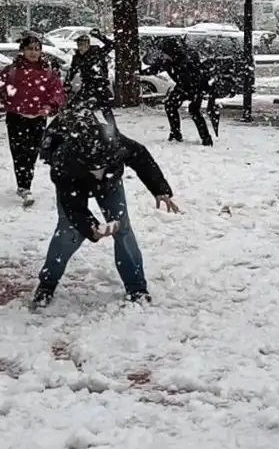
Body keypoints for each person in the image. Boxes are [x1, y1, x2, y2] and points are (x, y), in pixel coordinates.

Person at [30, 106, 180, 309]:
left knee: (123, 229)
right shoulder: (62, 162)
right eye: (94, 166)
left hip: (111, 183)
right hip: (75, 185)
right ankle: (47, 284)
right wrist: (89, 226)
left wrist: (159, 188)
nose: (98, 170)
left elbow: (140, 156)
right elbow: (72, 205)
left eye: (102, 163)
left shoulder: (115, 142)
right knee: (68, 231)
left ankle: (136, 287)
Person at [0, 34, 66, 205]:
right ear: (22, 51)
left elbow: (57, 92)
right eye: (29, 49)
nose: (34, 53)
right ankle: (23, 185)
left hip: (38, 118)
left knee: (32, 152)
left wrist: (50, 105)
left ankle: (26, 183)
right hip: (16, 117)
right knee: (19, 152)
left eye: (37, 49)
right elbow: (1, 89)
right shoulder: (12, 70)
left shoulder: (48, 72)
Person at [145, 38, 218, 146]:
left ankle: (206, 138)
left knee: (194, 111)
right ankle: (175, 133)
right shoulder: (168, 61)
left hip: (196, 87)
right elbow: (155, 68)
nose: (163, 55)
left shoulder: (186, 60)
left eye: (164, 52)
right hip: (183, 87)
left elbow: (191, 79)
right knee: (170, 105)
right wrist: (141, 73)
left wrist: (185, 90)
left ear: (170, 51)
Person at [65, 30, 114, 121]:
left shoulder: (97, 52)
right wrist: (67, 83)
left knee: (105, 109)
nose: (80, 47)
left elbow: (111, 45)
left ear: (88, 45)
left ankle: (112, 130)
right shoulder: (77, 57)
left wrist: (100, 36)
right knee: (74, 106)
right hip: (87, 86)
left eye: (82, 44)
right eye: (78, 44)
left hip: (100, 85)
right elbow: (72, 70)